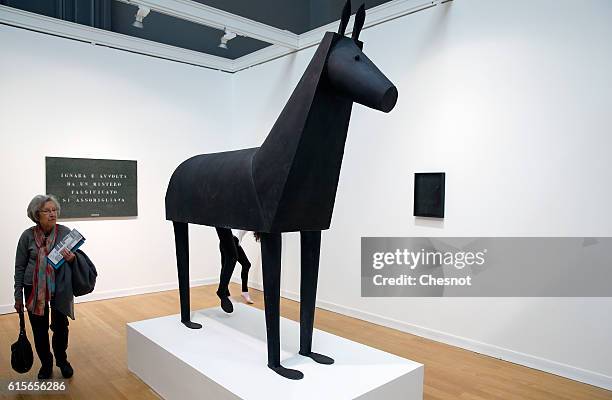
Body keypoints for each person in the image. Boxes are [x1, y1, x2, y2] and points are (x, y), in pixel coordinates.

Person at [14, 195, 76, 379]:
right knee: (39, 330)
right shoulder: (27, 236)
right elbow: (19, 266)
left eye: (54, 210)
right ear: (36, 214)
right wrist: (18, 296)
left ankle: (62, 360)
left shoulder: (66, 233)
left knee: (61, 327)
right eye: (47, 211)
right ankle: (46, 364)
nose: (52, 214)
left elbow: (76, 260)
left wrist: (72, 259)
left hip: (60, 287)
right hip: (32, 287)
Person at [216, 230, 258, 313]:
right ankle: (225, 293)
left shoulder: (249, 220)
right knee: (227, 266)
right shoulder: (244, 219)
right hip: (230, 241)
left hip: (232, 242)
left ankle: (243, 292)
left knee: (244, 265)